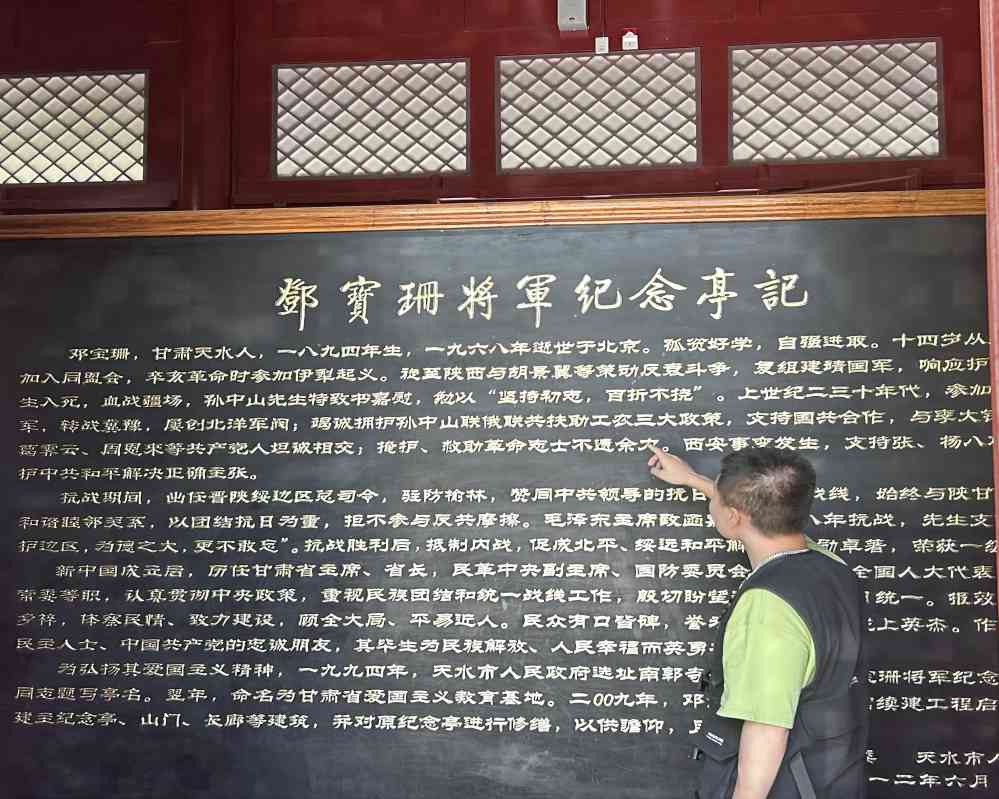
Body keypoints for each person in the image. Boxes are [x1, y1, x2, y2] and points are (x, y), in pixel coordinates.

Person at [647, 445, 868, 799]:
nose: (713, 502)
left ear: (734, 516)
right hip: (828, 774)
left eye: (718, 498)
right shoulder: (831, 566)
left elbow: (766, 729)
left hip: (786, 785)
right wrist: (693, 480)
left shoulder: (768, 606)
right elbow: (757, 512)